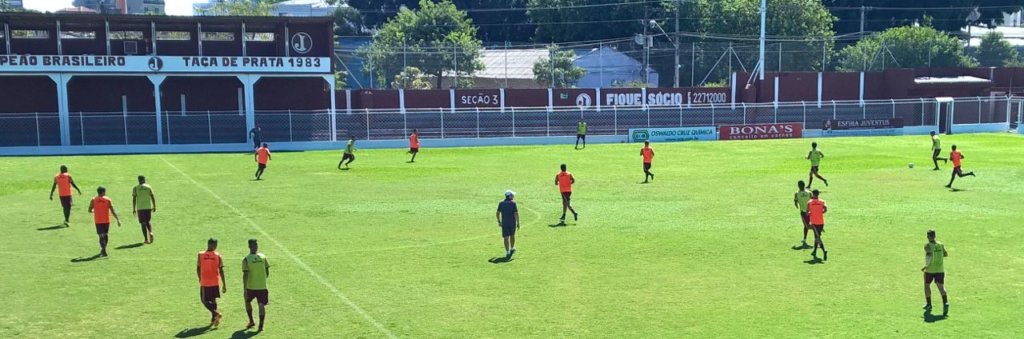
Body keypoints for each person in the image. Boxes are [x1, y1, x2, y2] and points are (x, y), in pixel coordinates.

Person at [243, 239, 270, 332]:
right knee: (261, 305)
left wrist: (245, 289)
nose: (256, 246)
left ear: (249, 246)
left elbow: (245, 275)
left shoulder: (246, 259)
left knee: (247, 302)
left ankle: (251, 321)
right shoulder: (263, 257)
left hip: (250, 287)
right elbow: (267, 271)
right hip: (262, 286)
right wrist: (262, 280)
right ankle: (261, 326)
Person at [197, 238, 226, 328]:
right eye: (215, 245)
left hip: (205, 282)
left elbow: (198, 267)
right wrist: (224, 284)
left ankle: (215, 313)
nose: (216, 246)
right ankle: (214, 318)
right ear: (211, 245)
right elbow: (221, 270)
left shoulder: (201, 254)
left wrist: (200, 278)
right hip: (215, 281)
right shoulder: (218, 255)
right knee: (213, 300)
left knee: (204, 300)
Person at [921, 229, 949, 315]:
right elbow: (945, 254)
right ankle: (945, 303)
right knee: (941, 287)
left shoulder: (927, 246)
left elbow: (929, 256)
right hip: (940, 269)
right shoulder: (941, 244)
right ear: (935, 236)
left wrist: (926, 266)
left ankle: (929, 304)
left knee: (926, 285)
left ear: (928, 236)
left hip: (930, 270)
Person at [88, 186, 121, 257]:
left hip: (98, 220)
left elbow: (89, 210)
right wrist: (117, 219)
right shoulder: (108, 200)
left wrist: (94, 210)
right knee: (105, 235)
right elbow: (112, 210)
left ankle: (103, 249)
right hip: (106, 220)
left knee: (101, 236)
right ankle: (104, 249)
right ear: (103, 192)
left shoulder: (93, 200)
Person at [132, 175, 157, 244]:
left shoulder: (135, 188)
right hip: (148, 207)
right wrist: (154, 206)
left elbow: (134, 198)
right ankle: (151, 232)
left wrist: (134, 208)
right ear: (144, 179)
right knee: (147, 222)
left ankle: (146, 239)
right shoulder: (148, 187)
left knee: (143, 223)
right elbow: (152, 196)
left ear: (138, 180)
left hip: (140, 208)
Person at [496, 190, 520, 259]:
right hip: (512, 223)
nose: (513, 196)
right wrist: (518, 223)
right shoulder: (513, 203)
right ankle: (512, 248)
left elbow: (497, 213)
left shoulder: (501, 203)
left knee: (506, 238)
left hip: (504, 223)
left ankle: (507, 251)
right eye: (512, 195)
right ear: (509, 196)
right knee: (512, 236)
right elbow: (516, 213)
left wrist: (499, 221)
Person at [807, 189, 828, 261]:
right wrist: (820, 212)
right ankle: (814, 251)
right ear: (818, 194)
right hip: (821, 222)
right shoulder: (822, 202)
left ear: (813, 194)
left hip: (814, 223)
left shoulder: (809, 202)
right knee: (816, 237)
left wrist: (811, 214)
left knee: (817, 237)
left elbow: (808, 212)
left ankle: (824, 250)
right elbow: (825, 209)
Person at [793, 180, 812, 247]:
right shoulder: (809, 192)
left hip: (804, 212)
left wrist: (796, 204)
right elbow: (813, 200)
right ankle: (804, 239)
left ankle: (816, 228)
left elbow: (795, 201)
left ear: (798, 186)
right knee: (806, 226)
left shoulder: (797, 193)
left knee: (806, 226)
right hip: (810, 212)